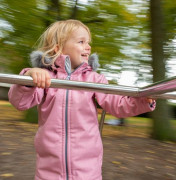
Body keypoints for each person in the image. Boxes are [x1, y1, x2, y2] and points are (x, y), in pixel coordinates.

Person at [8, 19, 155, 180]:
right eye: (81, 41)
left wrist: (143, 100)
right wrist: (29, 77)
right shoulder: (47, 78)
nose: (88, 47)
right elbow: (20, 102)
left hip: (87, 171)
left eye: (88, 42)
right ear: (58, 48)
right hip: (48, 171)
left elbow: (117, 104)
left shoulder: (94, 79)